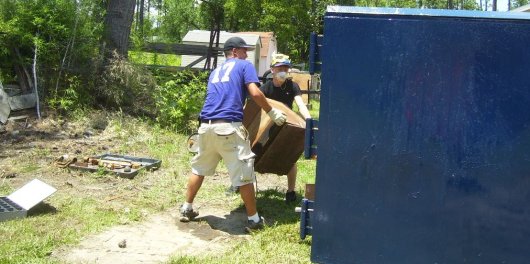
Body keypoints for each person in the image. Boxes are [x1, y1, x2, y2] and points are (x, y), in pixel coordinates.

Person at [179, 37, 287, 232]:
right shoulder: (244, 66)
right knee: (245, 174)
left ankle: (186, 208)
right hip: (228, 128)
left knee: (199, 168)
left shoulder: (215, 72)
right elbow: (255, 93)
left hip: (205, 127)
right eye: (244, 51)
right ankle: (254, 220)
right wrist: (271, 111)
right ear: (235, 52)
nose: (247, 54)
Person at [259, 53, 312, 203]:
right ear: (272, 70)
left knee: (291, 158)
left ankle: (290, 191)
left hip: (287, 127)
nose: (283, 70)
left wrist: (308, 119)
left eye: (285, 68)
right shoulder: (265, 88)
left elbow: (300, 105)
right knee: (252, 155)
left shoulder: (292, 86)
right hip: (268, 125)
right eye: (280, 67)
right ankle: (240, 183)